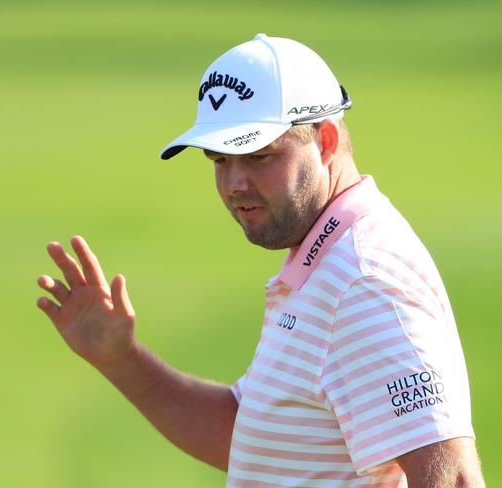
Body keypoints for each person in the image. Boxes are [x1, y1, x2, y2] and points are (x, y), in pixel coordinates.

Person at [36, 34, 484, 487]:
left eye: (258, 156)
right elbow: (255, 438)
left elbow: (454, 480)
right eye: (219, 160)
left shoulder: (361, 283)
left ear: (325, 140)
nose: (234, 184)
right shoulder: (324, 260)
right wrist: (122, 361)